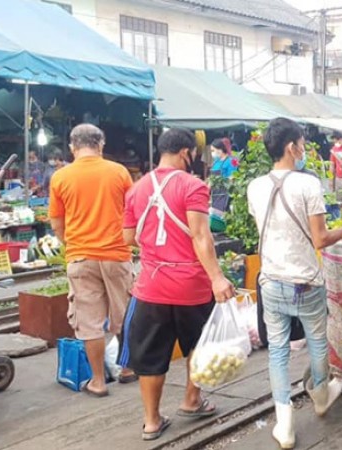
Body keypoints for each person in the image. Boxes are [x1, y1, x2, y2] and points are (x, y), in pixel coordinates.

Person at [247, 118, 342, 449]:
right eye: (302, 144)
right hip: (305, 281)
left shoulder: (255, 187)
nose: (303, 150)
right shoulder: (307, 185)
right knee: (317, 341)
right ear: (291, 147)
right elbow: (320, 240)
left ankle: (284, 424)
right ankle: (319, 396)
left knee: (277, 350)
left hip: (271, 281)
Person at [120, 128, 235, 441]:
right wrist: (217, 277)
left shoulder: (137, 187)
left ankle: (152, 421)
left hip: (151, 287)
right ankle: (191, 399)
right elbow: (201, 236)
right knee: (198, 345)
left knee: (151, 355)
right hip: (191, 286)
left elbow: (128, 238)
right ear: (186, 153)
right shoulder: (193, 185)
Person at [49, 124, 137, 398]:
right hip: (116, 253)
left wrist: (73, 244)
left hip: (80, 256)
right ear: (101, 144)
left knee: (88, 321)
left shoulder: (60, 177)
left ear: (72, 147)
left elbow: (56, 223)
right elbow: (131, 214)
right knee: (123, 314)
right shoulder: (119, 172)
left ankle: (98, 381)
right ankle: (127, 368)